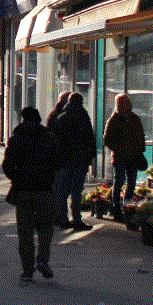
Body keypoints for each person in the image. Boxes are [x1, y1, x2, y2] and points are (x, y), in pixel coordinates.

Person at [2, 106, 65, 284]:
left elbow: (7, 164)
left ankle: (27, 271)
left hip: (22, 190)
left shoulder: (16, 139)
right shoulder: (49, 138)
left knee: (25, 231)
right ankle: (42, 258)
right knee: (46, 227)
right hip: (44, 189)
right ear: (38, 119)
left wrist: (16, 177)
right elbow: (59, 162)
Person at [50, 91, 95, 230]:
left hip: (64, 160)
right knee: (76, 191)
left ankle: (62, 218)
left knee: (62, 190)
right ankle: (77, 220)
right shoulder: (84, 117)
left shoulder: (61, 118)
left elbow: (54, 140)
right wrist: (89, 157)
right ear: (81, 102)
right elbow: (90, 140)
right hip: (80, 160)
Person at [102, 93, 147, 218]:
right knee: (119, 181)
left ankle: (127, 207)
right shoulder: (113, 120)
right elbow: (107, 140)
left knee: (131, 182)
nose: (119, 106)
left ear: (128, 104)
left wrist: (140, 151)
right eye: (118, 104)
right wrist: (118, 148)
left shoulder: (135, 119)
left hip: (133, 156)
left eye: (122, 103)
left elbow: (140, 136)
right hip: (120, 157)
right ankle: (116, 208)